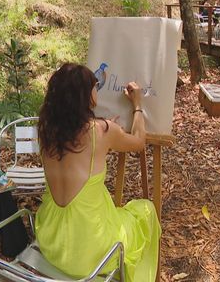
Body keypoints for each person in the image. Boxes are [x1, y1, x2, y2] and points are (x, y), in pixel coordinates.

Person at [34, 63, 161, 281]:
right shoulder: (101, 132)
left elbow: (78, 146)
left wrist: (105, 130)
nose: (97, 90)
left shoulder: (46, 129)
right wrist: (138, 105)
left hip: (51, 240)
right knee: (146, 210)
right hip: (89, 251)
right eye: (95, 87)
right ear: (85, 96)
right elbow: (139, 142)